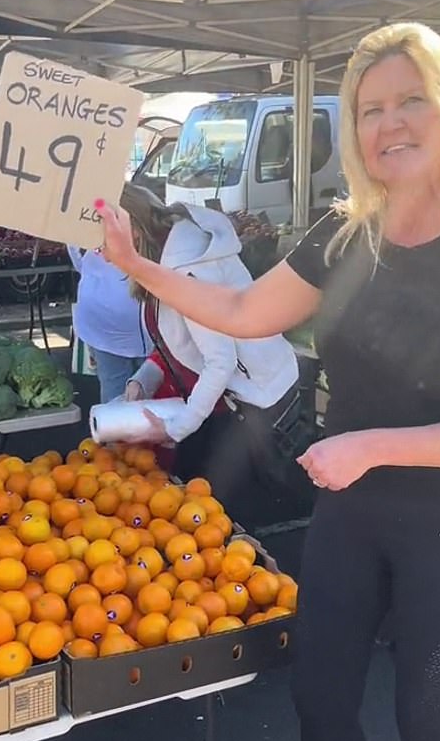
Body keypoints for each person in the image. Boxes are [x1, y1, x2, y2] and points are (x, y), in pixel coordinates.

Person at [97, 21, 440, 741]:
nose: (390, 122)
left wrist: (373, 445)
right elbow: (248, 310)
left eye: (412, 98)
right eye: (371, 108)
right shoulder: (342, 235)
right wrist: (139, 265)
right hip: (350, 516)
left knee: (427, 726)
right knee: (321, 702)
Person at [114, 183, 301, 509]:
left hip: (256, 403)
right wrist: (142, 380)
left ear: (133, 231)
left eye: (106, 239)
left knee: (230, 510)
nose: (102, 252)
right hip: (233, 401)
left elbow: (220, 360)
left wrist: (176, 428)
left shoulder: (188, 270)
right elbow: (178, 342)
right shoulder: (165, 262)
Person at [67, 244, 150, 403]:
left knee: (115, 396)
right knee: (152, 398)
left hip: (106, 321)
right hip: (113, 325)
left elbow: (79, 259)